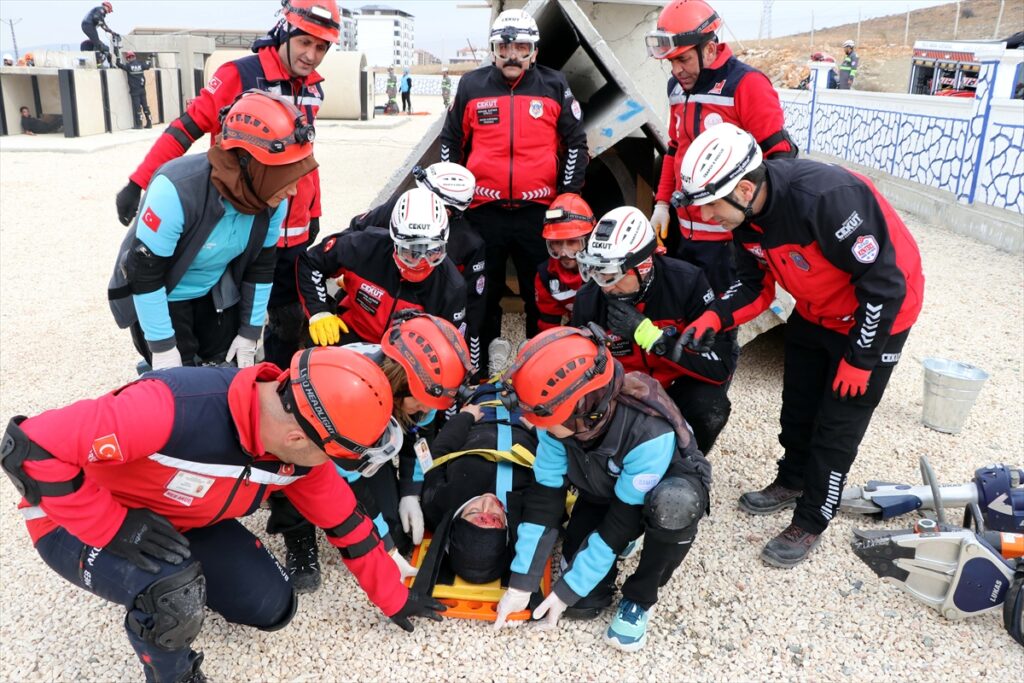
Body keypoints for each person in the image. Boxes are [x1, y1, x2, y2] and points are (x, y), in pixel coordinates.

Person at [0, 346, 447, 682]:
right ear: (297, 439)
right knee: (170, 594)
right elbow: (29, 445)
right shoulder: (171, 407)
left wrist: (395, 596)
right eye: (335, 454)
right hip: (72, 522)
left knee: (273, 606)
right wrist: (114, 527)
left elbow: (347, 523)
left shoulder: (299, 454)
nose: (332, 466)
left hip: (180, 518)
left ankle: (172, 579)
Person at [673, 122, 924, 567]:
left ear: (745, 188)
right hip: (816, 308)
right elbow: (755, 286)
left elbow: (885, 285)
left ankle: (812, 518)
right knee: (798, 405)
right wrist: (715, 316)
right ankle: (791, 480)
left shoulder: (827, 199)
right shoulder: (747, 217)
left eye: (712, 207)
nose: (709, 217)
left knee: (836, 428)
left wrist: (861, 359)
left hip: (877, 317)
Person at [115, 0, 341, 373]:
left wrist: (313, 211)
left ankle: (274, 385)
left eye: (321, 47)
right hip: (238, 223)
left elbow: (303, 160)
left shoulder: (314, 87)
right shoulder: (239, 74)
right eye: (305, 42)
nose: (311, 55)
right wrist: (139, 181)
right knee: (222, 317)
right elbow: (186, 128)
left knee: (287, 318)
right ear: (284, 31)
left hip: (289, 222)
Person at [493, 326, 711, 652]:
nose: (534, 424)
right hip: (605, 487)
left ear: (585, 408)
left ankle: (640, 598)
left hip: (659, 490)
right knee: (584, 604)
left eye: (543, 416)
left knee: (672, 506)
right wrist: (521, 583)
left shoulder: (648, 432)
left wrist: (567, 590)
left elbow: (621, 520)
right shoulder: (557, 423)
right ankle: (623, 543)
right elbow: (545, 500)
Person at [107, 90, 318, 371]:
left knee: (223, 371)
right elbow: (145, 273)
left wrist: (250, 332)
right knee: (178, 383)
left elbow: (261, 267)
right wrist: (162, 347)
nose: (293, 190)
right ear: (248, 161)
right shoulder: (175, 190)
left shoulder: (272, 197)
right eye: (285, 175)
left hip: (215, 291)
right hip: (164, 295)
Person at [265, 313, 473, 592]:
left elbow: (419, 437)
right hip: (305, 442)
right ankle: (297, 536)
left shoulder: (420, 391)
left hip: (363, 442)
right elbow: (350, 477)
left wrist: (411, 492)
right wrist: (383, 545)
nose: (426, 411)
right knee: (295, 470)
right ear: (401, 383)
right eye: (421, 404)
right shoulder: (356, 394)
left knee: (396, 533)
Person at [439, 8, 589, 373]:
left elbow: (576, 144)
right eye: (503, 47)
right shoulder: (471, 85)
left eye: (522, 47)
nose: (512, 55)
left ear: (534, 51)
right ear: (493, 50)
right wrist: (451, 199)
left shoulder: (554, 85)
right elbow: (451, 141)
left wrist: (565, 198)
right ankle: (483, 370)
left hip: (537, 216)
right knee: (482, 295)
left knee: (540, 294)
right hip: (483, 214)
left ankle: (539, 366)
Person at [644, 0, 796, 296]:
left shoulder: (747, 85)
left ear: (710, 49)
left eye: (684, 59)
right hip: (683, 229)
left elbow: (780, 160)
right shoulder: (677, 88)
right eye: (671, 62)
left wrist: (757, 229)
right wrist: (662, 204)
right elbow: (675, 148)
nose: (676, 71)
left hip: (726, 238)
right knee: (683, 312)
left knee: (720, 324)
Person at [571, 207, 734, 456]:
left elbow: (720, 366)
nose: (605, 286)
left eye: (612, 275)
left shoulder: (688, 283)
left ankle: (688, 464)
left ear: (644, 266)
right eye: (596, 272)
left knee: (711, 406)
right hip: (622, 391)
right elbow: (577, 371)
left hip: (676, 385)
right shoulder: (589, 299)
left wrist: (655, 339)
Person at [349, 163, 486, 378]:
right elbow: (354, 232)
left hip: (423, 321)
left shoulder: (469, 243)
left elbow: (472, 308)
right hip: (372, 306)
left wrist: (467, 371)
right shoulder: (399, 207)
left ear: (449, 211)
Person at [297, 187, 468, 349]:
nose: (422, 262)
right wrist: (319, 311)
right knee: (316, 349)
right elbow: (311, 262)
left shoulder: (452, 287)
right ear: (395, 242)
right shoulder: (363, 246)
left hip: (404, 357)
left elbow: (449, 349)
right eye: (411, 253)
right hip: (352, 333)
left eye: (433, 252)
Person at [411, 383, 539, 590]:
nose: (488, 502)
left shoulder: (438, 503)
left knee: (481, 384)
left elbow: (438, 453)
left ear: (458, 520)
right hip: (529, 421)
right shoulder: (530, 517)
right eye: (496, 518)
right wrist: (542, 433)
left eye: (476, 513)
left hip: (481, 416)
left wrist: (465, 417)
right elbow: (556, 471)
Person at [534, 193, 596, 332]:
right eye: (556, 243)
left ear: (588, 239)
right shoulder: (546, 276)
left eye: (572, 242)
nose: (563, 252)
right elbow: (548, 324)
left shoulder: (606, 270)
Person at [117, 50, 153, 129]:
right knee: (145, 106)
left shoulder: (129, 66)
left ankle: (139, 125)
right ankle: (149, 123)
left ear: (128, 58)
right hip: (142, 89)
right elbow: (148, 66)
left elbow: (119, 65)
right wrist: (149, 58)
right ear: (134, 57)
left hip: (134, 91)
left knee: (137, 107)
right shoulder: (140, 64)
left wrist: (117, 57)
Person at [82, 2, 115, 67]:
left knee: (99, 44)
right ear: (106, 7)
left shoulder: (99, 13)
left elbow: (103, 25)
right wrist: (104, 26)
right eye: (109, 10)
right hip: (88, 25)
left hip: (87, 25)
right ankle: (98, 62)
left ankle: (104, 61)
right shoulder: (101, 9)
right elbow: (96, 18)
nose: (108, 12)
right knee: (97, 44)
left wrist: (111, 32)